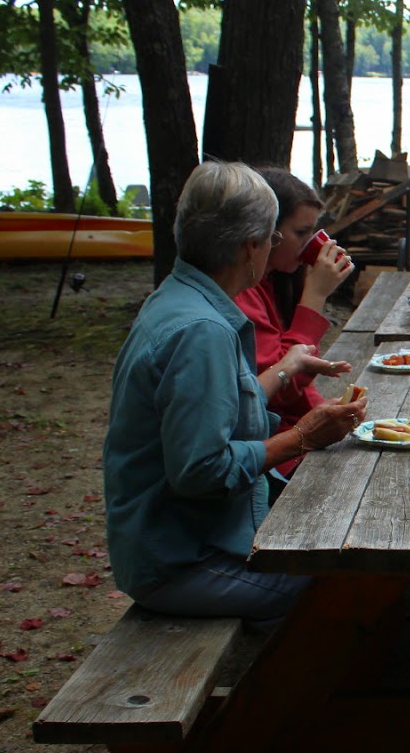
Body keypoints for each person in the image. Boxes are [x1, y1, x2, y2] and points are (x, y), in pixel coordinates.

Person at [103, 162, 367, 629]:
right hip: (181, 560)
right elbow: (202, 470)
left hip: (190, 536)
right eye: (273, 238)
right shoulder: (201, 331)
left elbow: (221, 408)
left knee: (340, 528)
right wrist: (302, 437)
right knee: (340, 579)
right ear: (251, 246)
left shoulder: (180, 297)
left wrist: (285, 369)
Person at [234, 167, 356, 497]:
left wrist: (327, 411)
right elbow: (279, 388)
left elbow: (296, 387)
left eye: (315, 231)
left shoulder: (274, 280)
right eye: (302, 233)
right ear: (265, 234)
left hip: (284, 436)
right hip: (270, 451)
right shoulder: (243, 293)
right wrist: (315, 296)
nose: (312, 244)